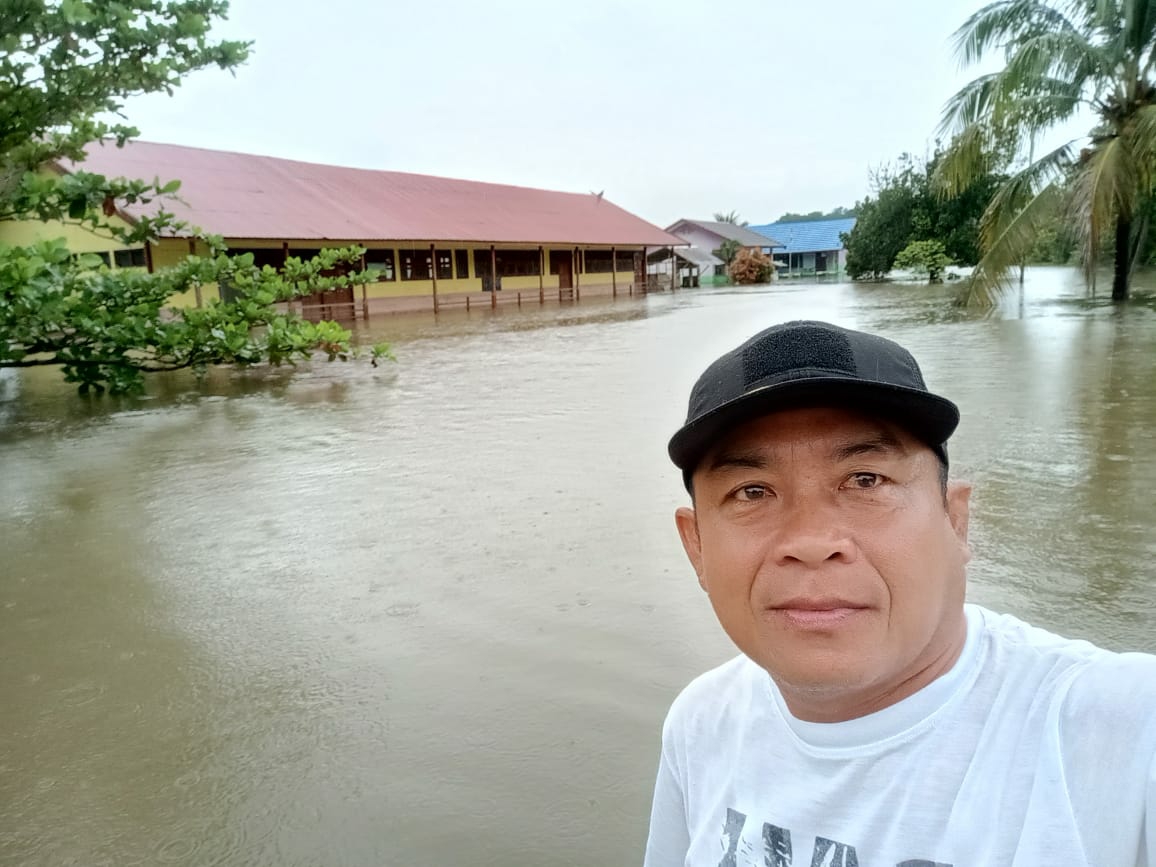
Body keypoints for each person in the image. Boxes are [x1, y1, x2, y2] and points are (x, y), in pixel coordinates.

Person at [643, 320, 1156, 867]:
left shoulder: (1121, 729)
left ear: (954, 520)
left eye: (866, 480)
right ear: (696, 546)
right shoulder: (702, 721)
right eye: (752, 491)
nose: (812, 543)